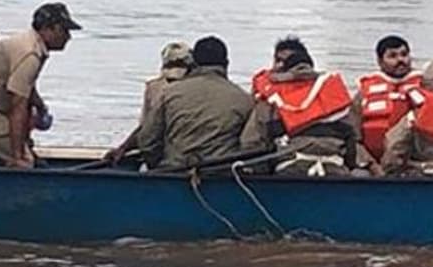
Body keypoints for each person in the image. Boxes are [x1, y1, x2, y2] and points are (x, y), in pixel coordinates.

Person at [0, 2, 82, 167]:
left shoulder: (30, 43)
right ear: (47, 29)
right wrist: (18, 156)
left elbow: (26, 87)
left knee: (26, 151)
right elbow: (18, 105)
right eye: (63, 30)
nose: (68, 37)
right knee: (26, 161)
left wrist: (40, 106)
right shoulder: (30, 54)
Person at [241, 39, 358, 176]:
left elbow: (251, 142)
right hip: (334, 171)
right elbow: (352, 145)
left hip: (288, 172)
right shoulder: (336, 97)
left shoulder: (271, 100)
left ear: (285, 72)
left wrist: (262, 174)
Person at [139, 36, 253, 170]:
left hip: (174, 169)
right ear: (226, 64)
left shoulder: (169, 93)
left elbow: (148, 141)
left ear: (194, 63)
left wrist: (157, 166)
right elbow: (250, 144)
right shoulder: (244, 100)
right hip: (221, 173)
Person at [104, 42, 194, 164]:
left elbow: (146, 130)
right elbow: (145, 128)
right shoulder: (154, 88)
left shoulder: (194, 90)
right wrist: (122, 148)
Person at [354, 35, 424, 174]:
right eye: (392, 56)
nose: (400, 60)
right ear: (380, 61)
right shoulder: (364, 93)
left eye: (404, 54)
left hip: (415, 165)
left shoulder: (426, 87)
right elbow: (353, 136)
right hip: (372, 166)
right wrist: (372, 166)